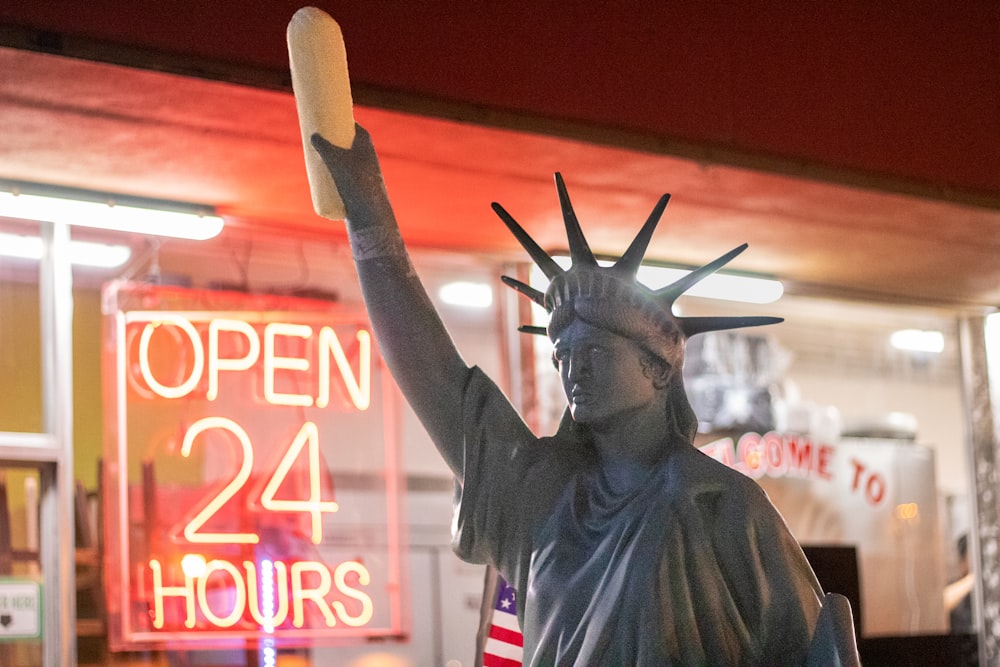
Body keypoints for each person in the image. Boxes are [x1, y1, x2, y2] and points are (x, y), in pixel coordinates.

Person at [310, 125, 858, 666]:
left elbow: (811, 651)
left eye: (594, 353)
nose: (574, 370)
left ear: (657, 369)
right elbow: (434, 378)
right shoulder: (540, 495)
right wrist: (370, 221)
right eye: (563, 356)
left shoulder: (723, 504)